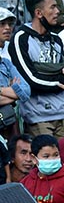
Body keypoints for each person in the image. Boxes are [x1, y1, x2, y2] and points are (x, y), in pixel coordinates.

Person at [11, 0, 64, 137]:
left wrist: (45, 74)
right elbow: (31, 80)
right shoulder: (21, 38)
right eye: (53, 7)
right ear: (38, 13)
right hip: (38, 118)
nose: (58, 11)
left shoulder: (57, 39)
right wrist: (57, 79)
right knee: (44, 159)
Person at [0, 7, 31, 137]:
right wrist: (12, 92)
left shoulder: (8, 56)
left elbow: (26, 91)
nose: (8, 28)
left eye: (10, 24)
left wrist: (1, 90)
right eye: (2, 24)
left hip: (9, 120)